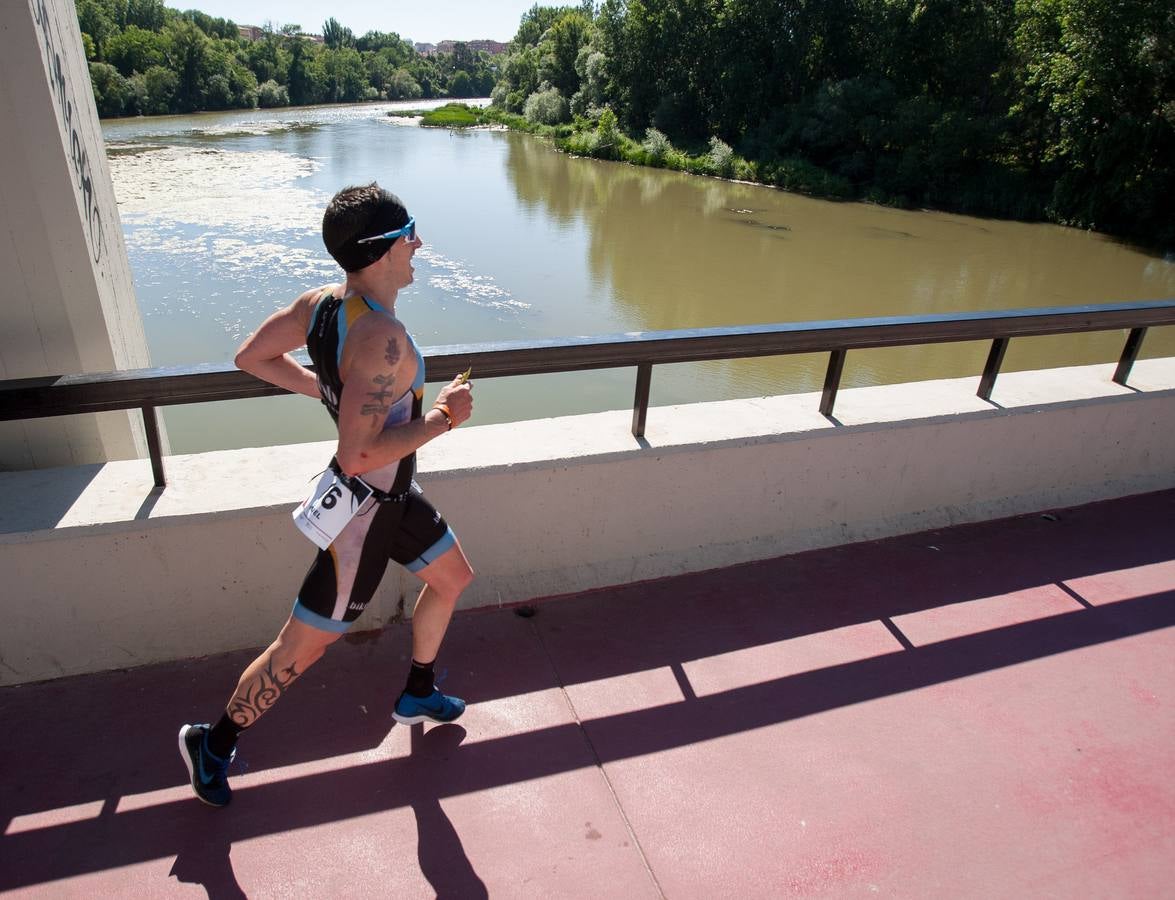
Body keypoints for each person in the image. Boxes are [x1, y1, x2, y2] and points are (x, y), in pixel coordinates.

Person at [179, 183, 475, 807]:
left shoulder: (322, 305)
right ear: (381, 250)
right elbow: (360, 453)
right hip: (365, 511)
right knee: (302, 648)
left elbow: (252, 355)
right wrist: (446, 418)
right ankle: (213, 741)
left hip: (394, 498)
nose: (418, 243)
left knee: (452, 577)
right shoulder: (380, 339)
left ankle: (418, 689)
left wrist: (328, 391)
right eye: (410, 232)